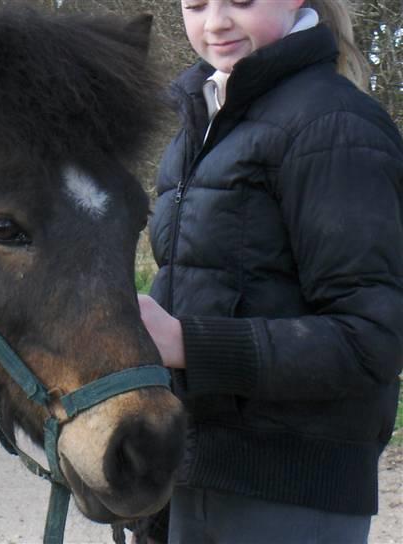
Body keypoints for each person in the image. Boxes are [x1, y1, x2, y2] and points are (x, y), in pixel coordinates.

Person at [137, 0, 403, 543]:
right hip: (190, 479)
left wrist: (186, 342)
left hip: (292, 497)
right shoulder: (198, 125)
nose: (214, 23)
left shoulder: (336, 125)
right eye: (195, 5)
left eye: (240, 1)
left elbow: (373, 338)